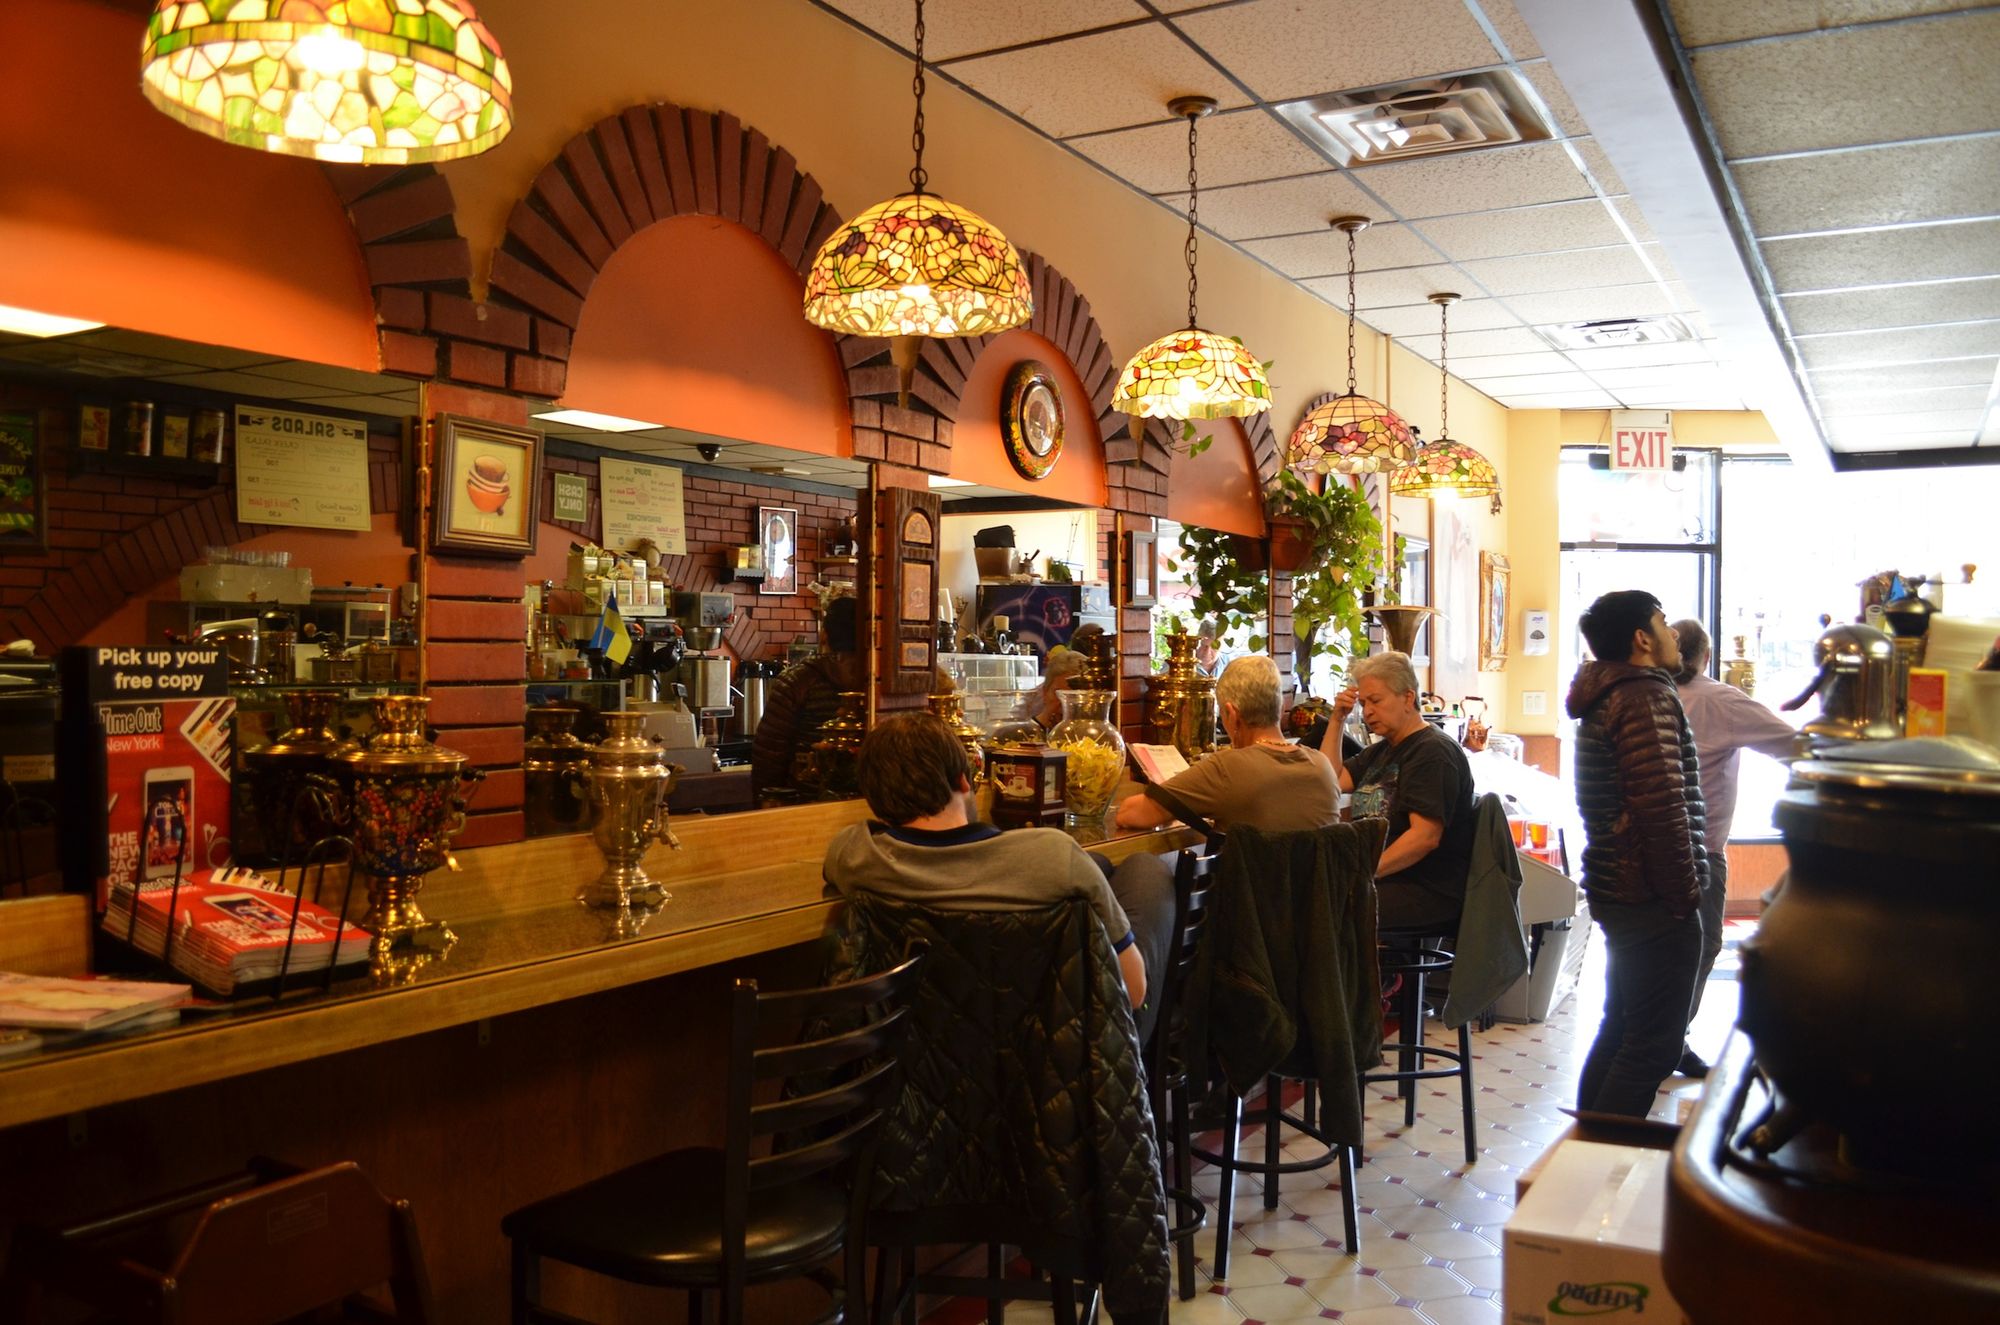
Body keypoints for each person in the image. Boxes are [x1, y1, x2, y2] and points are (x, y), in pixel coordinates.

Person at [824, 713, 1174, 1037]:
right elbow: (1133, 990)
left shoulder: (854, 855)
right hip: (1061, 1059)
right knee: (1145, 869)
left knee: (1099, 866)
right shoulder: (1054, 855)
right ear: (964, 781)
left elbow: (845, 850)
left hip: (927, 1065)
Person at [1567, 590, 1707, 1118]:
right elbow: (1662, 804)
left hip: (1621, 885)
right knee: (1654, 1045)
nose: (1674, 635)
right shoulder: (1644, 695)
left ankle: (1579, 1164)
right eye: (1664, 624)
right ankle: (1597, 1162)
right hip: (1650, 892)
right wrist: (1683, 895)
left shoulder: (1610, 693)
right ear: (1642, 639)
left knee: (1624, 1026)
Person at [1670, 617, 1797, 1077]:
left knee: (1650, 948)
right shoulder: (1720, 700)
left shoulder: (1643, 697)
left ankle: (1652, 1041)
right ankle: (1664, 1043)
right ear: (1706, 656)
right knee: (1702, 946)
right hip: (1698, 849)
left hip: (1641, 847)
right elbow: (1795, 746)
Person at [1315, 651, 1476, 932]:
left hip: (1426, 887)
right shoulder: (1382, 750)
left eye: (1376, 701)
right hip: (1388, 878)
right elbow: (1329, 781)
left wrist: (1362, 873)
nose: (1367, 712)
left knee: (1320, 909)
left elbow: (1424, 838)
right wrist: (1337, 719)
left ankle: (1378, 977)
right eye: (1363, 704)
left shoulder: (1433, 752)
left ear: (1408, 698)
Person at [1115, 655, 1339, 835]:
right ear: (1280, 710)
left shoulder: (1227, 769)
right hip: (1319, 892)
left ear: (1231, 715)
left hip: (1247, 892)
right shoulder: (1323, 768)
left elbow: (1131, 814)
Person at [750, 595, 865, 798]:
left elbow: (768, 758)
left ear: (824, 636)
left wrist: (766, 805)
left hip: (804, 802)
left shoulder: (796, 681)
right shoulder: (879, 682)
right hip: (868, 802)